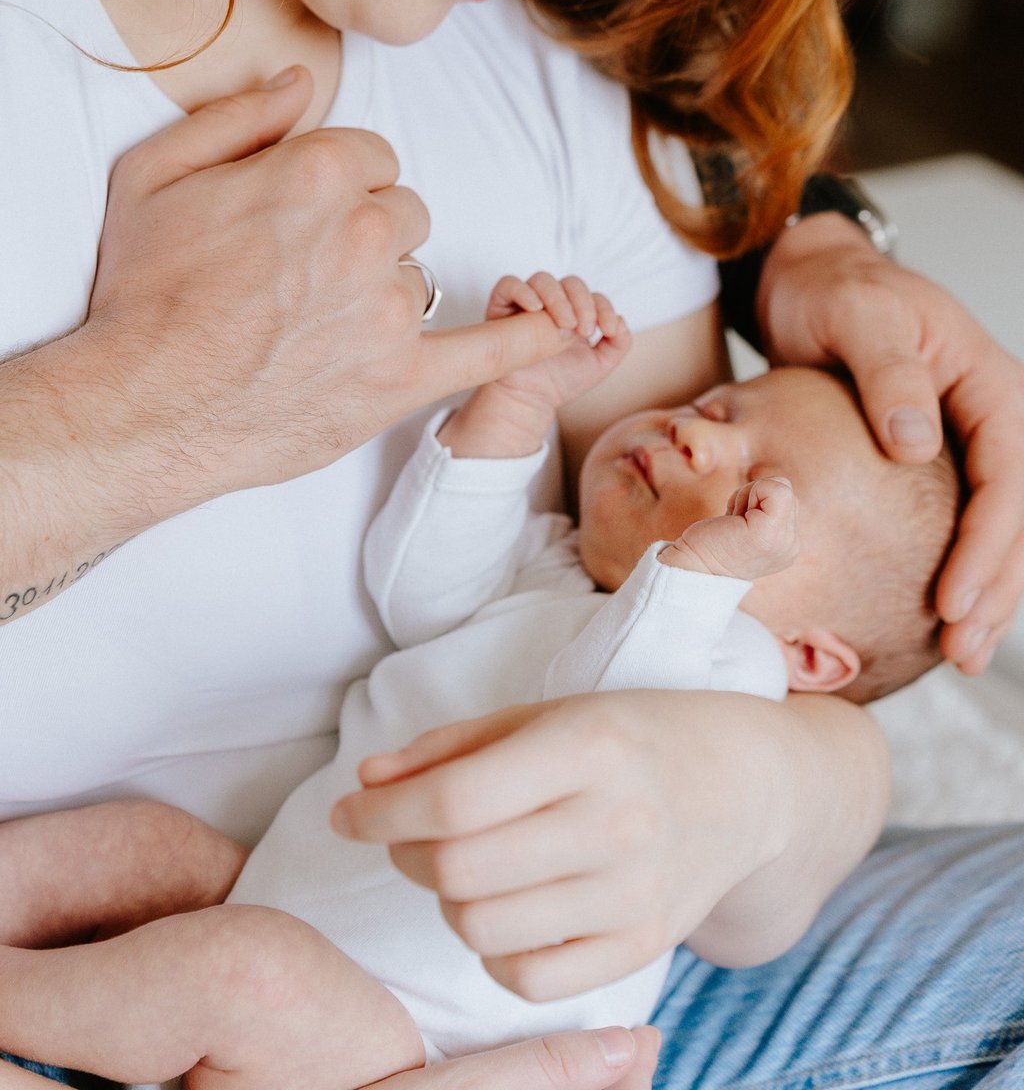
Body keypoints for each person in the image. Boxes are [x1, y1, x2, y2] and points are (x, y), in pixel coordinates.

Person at [1, 0, 1024, 1088]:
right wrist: (138, 413)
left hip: (525, 1025)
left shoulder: (546, 92)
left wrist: (738, 794)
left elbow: (771, 677)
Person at [0, 274, 960, 1087]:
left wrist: (703, 571)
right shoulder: (559, 570)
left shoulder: (732, 665)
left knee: (241, 974)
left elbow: (606, 721)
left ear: (814, 656)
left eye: (760, 482)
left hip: (413, 1037)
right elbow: (423, 590)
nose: (696, 437)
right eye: (714, 409)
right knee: (139, 845)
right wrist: (517, 404)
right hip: (277, 892)